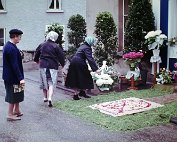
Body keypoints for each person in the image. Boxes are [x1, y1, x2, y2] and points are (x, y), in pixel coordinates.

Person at [34, 31, 65, 107]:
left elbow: (36, 53)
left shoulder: (42, 44)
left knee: (44, 81)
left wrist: (36, 60)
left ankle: (45, 97)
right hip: (53, 66)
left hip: (43, 65)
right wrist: (62, 64)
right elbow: (61, 56)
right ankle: (50, 98)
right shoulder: (56, 46)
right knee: (51, 82)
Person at [65, 36, 100, 100]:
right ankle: (78, 94)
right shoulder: (87, 48)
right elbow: (90, 59)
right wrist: (96, 69)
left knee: (76, 78)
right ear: (91, 42)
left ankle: (81, 93)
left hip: (74, 62)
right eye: (93, 42)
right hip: (79, 63)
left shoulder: (82, 46)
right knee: (86, 77)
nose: (93, 43)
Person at [2, 29, 24, 121]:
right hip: (12, 77)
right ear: (15, 36)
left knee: (18, 92)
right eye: (19, 37)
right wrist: (20, 78)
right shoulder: (11, 48)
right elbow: (14, 65)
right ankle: (10, 114)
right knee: (12, 94)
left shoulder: (11, 46)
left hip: (13, 76)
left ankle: (17, 110)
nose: (20, 38)